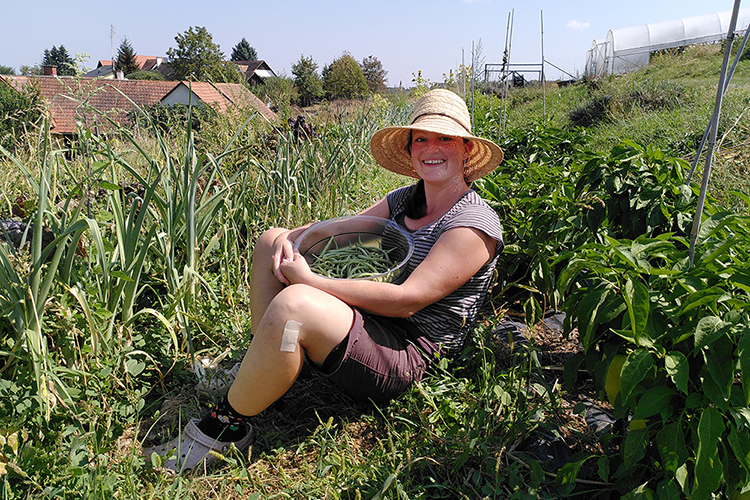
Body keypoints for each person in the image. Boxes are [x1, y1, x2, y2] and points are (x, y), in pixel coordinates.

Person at [144, 89, 505, 473]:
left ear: (466, 150)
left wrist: (310, 280)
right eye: (421, 138)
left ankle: (226, 426)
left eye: (445, 138)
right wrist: (288, 238)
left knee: (295, 304)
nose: (431, 147)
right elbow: (346, 230)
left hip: (407, 349)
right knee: (271, 241)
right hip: (371, 319)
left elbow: (407, 300)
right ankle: (260, 366)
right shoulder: (405, 200)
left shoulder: (473, 224)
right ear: (411, 149)